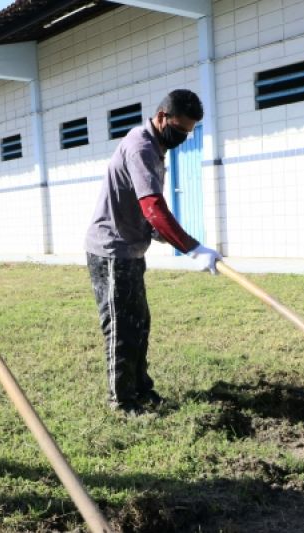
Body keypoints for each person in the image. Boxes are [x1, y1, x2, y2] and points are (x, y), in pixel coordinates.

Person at [84, 89, 222, 417]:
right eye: (180, 130)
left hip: (131, 250)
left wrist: (166, 234)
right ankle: (122, 402)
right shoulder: (141, 146)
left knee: (140, 323)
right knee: (121, 326)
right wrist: (191, 247)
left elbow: (147, 213)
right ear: (161, 117)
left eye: (188, 133)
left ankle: (142, 389)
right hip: (111, 251)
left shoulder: (156, 147)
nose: (183, 138)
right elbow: (153, 207)